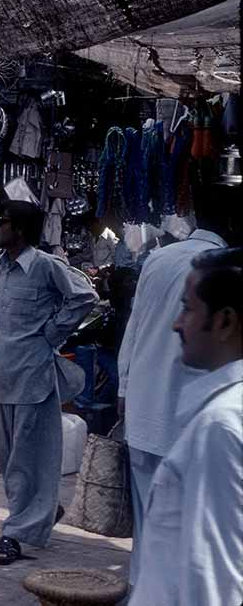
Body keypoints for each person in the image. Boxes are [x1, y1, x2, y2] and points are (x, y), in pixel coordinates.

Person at [116, 184, 236, 586]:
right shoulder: (218, 271)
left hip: (143, 403)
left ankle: (141, 587)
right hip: (178, 412)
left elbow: (133, 328)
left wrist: (123, 386)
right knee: (182, 529)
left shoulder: (158, 258)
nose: (179, 321)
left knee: (152, 526)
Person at [0, 201, 97, 565]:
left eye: (2, 222)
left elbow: (84, 296)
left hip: (32, 377)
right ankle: (41, 511)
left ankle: (16, 534)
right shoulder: (0, 267)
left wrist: (52, 333)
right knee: (5, 456)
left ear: (18, 229)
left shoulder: (46, 266)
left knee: (25, 461)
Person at [130, 248, 243, 605]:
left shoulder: (219, 426)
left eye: (188, 308)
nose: (177, 323)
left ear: (225, 322)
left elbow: (213, 576)